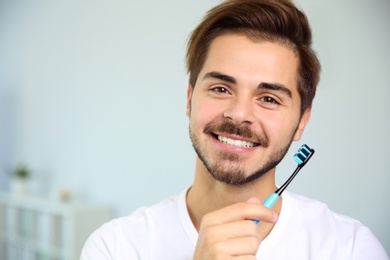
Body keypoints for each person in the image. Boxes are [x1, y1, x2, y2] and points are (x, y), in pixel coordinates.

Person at [81, 0, 389, 259]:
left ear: (302, 122)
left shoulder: (351, 249)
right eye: (220, 89)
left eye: (268, 98)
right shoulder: (115, 247)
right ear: (189, 99)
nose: (239, 114)